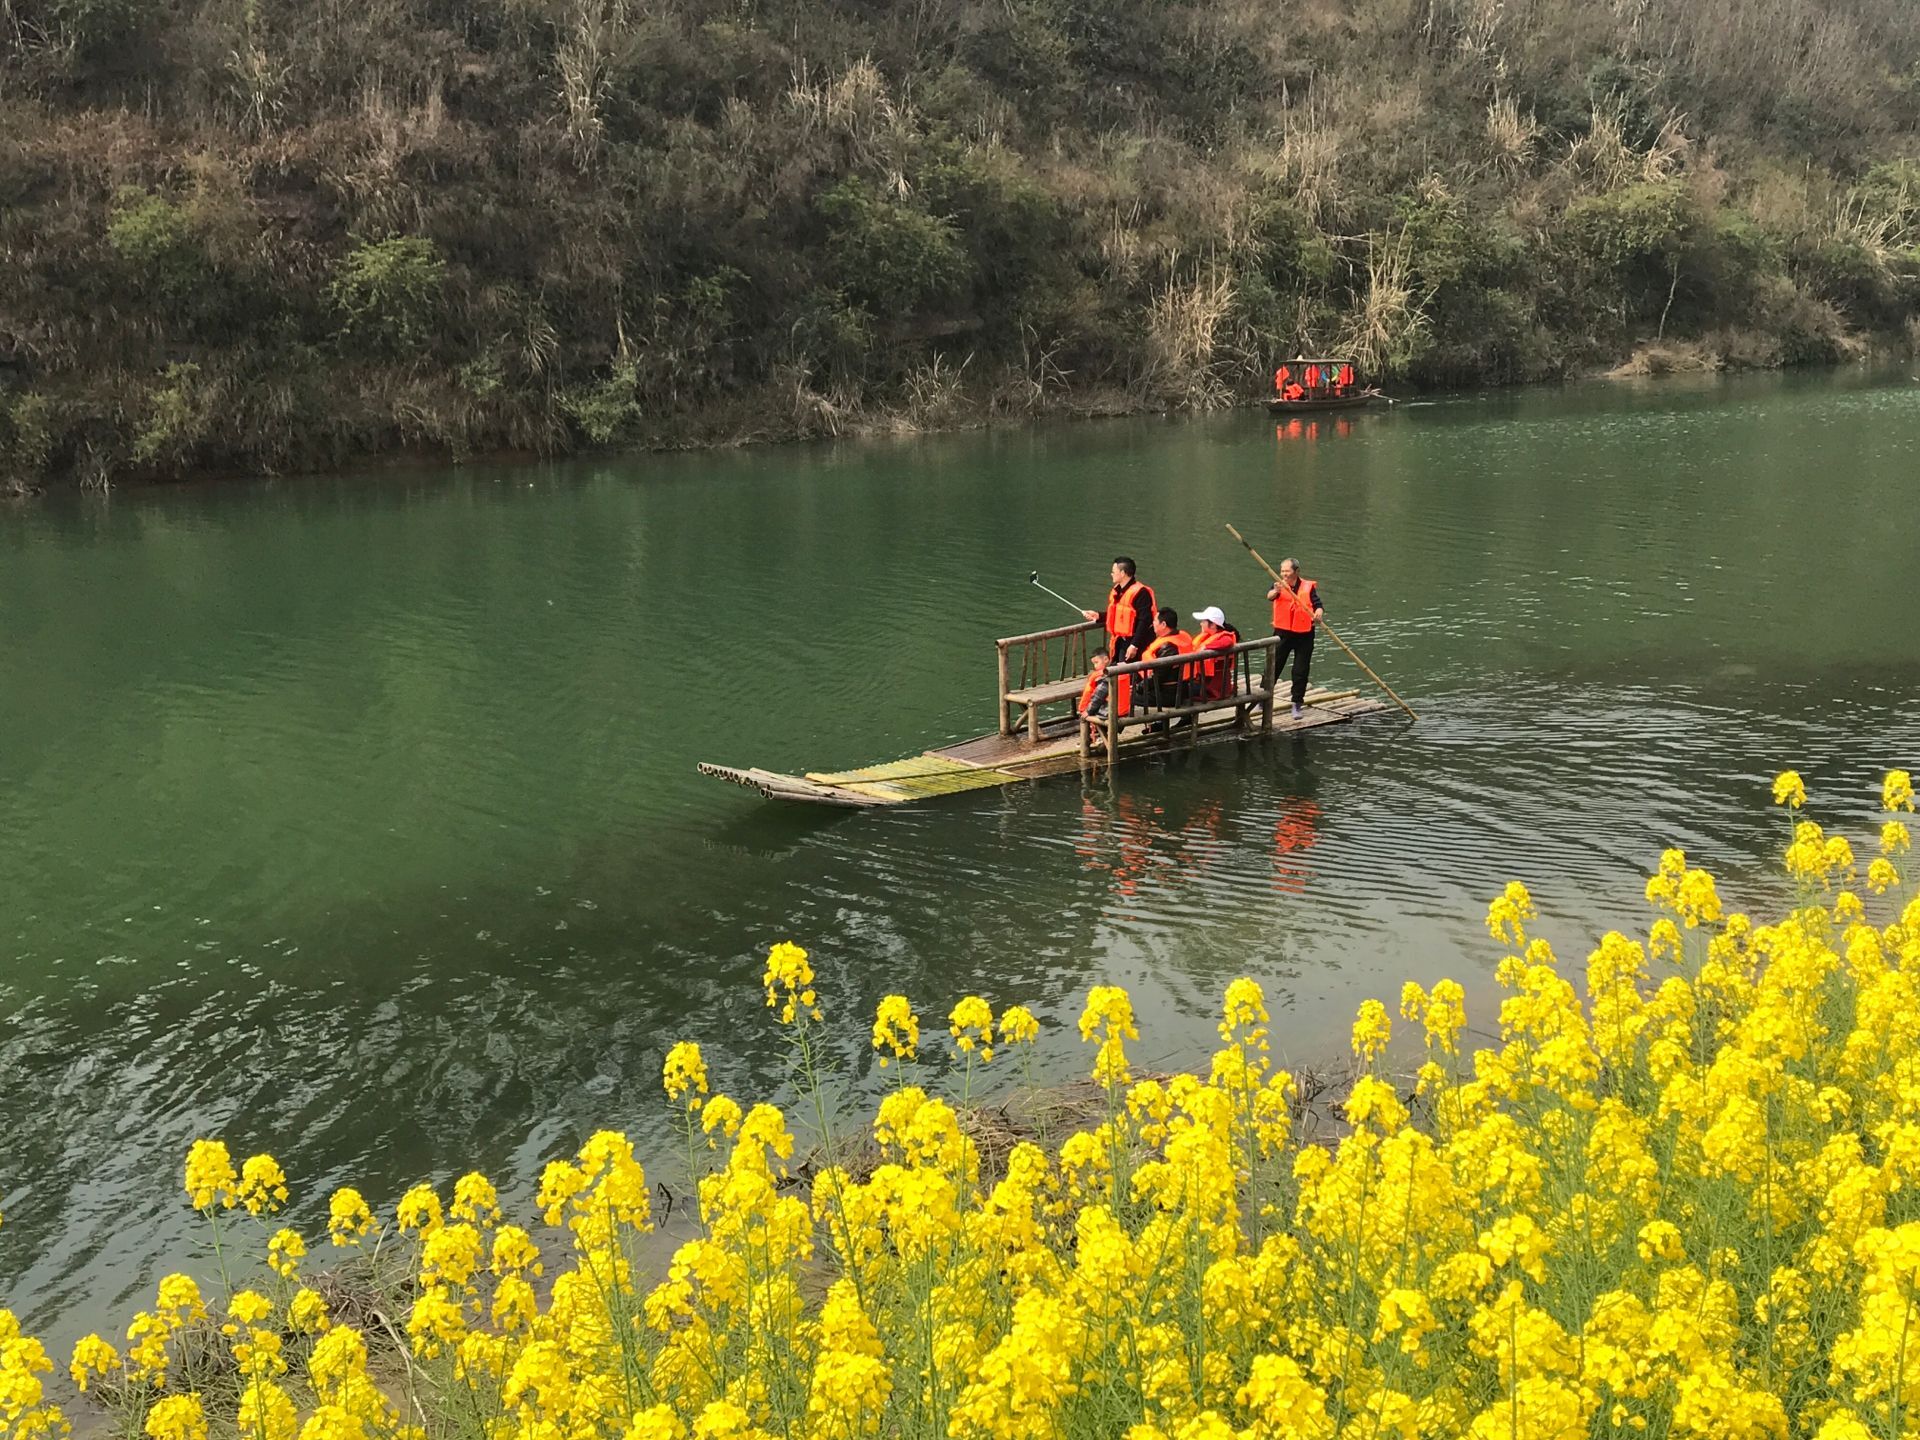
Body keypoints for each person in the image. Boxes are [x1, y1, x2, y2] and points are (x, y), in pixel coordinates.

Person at [1266, 557, 1323, 719]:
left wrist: (1319, 613)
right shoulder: (1279, 584)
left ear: (1296, 571)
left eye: (1287, 571)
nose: (1284, 574)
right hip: (1282, 634)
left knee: (1300, 670)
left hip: (1304, 634)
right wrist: (1276, 591)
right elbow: (1270, 596)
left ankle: (1297, 703)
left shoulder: (1307, 587)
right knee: (1273, 666)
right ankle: (1263, 699)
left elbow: (1317, 604)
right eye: (1282, 571)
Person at [1082, 556, 1154, 664]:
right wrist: (1098, 616)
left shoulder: (1141, 592)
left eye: (1113, 572)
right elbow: (1118, 614)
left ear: (1123, 573)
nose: (1111, 574)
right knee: (1119, 672)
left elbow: (1145, 620)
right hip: (1120, 641)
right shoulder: (1118, 591)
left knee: (1130, 675)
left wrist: (1134, 645)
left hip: (1135, 643)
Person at [1138, 607, 1194, 724]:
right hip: (1183, 688)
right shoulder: (1183, 636)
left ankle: (1114, 728)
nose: (1152, 623)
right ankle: (1159, 725)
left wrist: (1139, 688)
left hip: (1168, 694)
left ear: (1163, 624)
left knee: (1125, 697)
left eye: (1154, 621)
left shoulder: (1168, 647)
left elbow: (1158, 678)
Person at [1188, 606, 1240, 703]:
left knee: (1180, 690)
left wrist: (1206, 647)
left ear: (1213, 625)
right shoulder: (1210, 636)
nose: (1201, 623)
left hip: (1211, 689)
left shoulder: (1224, 637)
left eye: (1203, 621)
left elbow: (1227, 642)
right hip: (1208, 684)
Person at [1077, 649, 1128, 745]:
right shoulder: (1120, 669)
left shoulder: (1106, 675)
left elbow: (1099, 696)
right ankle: (1100, 737)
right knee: (1096, 708)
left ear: (1105, 659)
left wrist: (1088, 711)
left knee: (1087, 713)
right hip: (1124, 709)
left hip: (1112, 712)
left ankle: (1090, 738)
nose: (1095, 666)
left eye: (1096, 662)